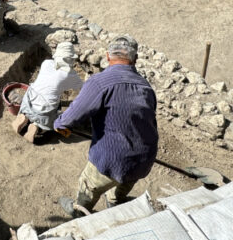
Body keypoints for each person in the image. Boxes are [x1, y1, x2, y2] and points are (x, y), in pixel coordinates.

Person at [55, 35, 158, 216]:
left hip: (112, 159)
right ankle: (115, 202)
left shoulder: (99, 83)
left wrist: (59, 124)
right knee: (123, 183)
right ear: (134, 60)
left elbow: (70, 118)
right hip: (145, 158)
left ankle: (79, 211)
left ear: (108, 56)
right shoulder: (145, 87)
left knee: (88, 184)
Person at [12, 42, 84, 144]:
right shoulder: (70, 74)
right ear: (71, 58)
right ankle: (38, 128)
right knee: (53, 124)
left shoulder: (46, 63)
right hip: (43, 111)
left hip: (28, 100)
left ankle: (25, 117)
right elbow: (84, 89)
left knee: (43, 96)